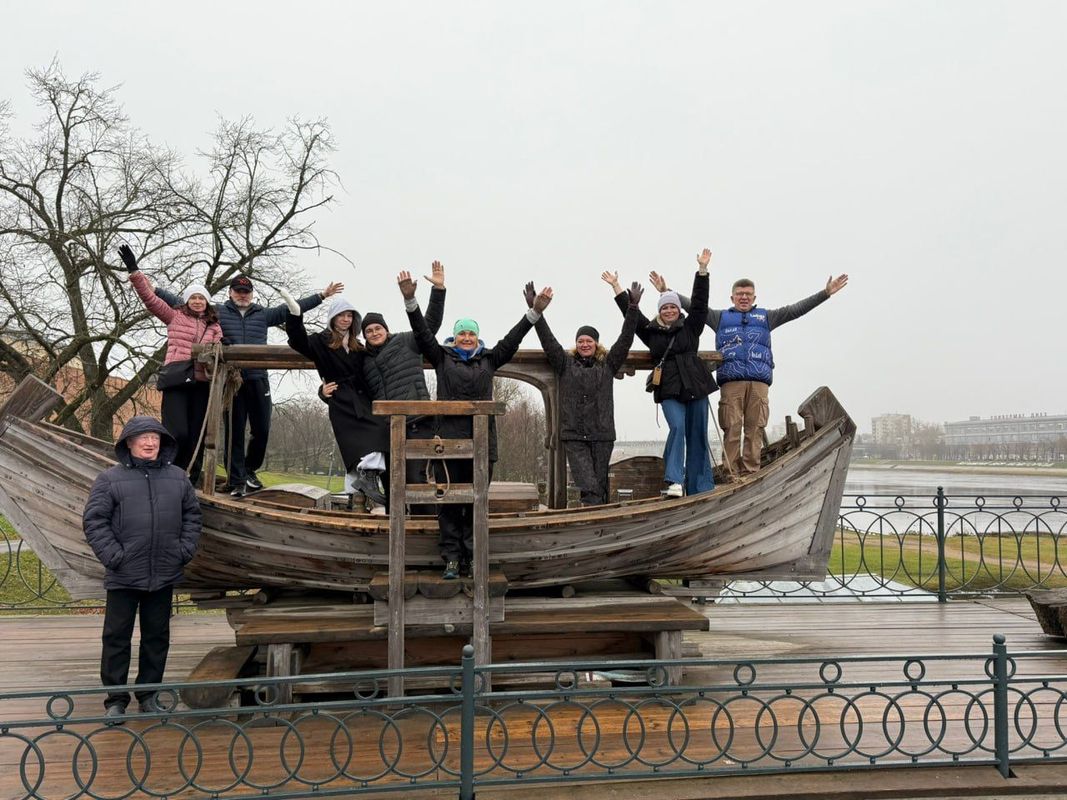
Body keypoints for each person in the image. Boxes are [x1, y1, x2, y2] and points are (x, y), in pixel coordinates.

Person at [404, 277, 549, 579]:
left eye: (471, 333)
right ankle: (451, 559)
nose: (467, 337)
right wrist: (410, 300)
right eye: (462, 333)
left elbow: (513, 338)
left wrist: (535, 312)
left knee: (476, 504)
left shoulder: (489, 359)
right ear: (455, 337)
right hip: (447, 444)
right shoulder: (441, 358)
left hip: (482, 444)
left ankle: (472, 557)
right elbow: (422, 333)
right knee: (448, 502)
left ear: (477, 337)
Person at [649, 269, 849, 477]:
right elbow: (695, 306)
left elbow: (795, 310)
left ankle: (751, 472)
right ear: (732, 297)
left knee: (755, 428)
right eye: (739, 294)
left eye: (748, 294)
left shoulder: (766, 317)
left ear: (754, 298)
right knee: (732, 428)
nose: (744, 297)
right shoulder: (720, 318)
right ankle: (731, 474)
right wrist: (666, 291)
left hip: (759, 382)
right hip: (731, 382)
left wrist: (825, 293)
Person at [155, 275, 342, 497]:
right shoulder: (218, 312)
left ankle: (249, 469)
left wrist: (322, 295)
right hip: (232, 380)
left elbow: (291, 308)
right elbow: (182, 302)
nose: (242, 295)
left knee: (261, 429)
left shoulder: (262, 314)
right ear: (230, 293)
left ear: (252, 294)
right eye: (238, 291)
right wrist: (154, 288)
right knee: (234, 431)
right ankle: (236, 480)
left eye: (246, 292)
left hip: (258, 376)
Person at [82, 416, 202, 721]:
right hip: (124, 573)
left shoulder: (178, 478)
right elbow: (95, 521)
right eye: (143, 437)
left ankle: (148, 694)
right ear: (129, 442)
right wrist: (114, 556)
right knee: (116, 638)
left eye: (155, 438)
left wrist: (182, 551)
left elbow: (192, 516)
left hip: (163, 571)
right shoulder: (109, 480)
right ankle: (116, 699)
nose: (150, 443)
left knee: (156, 637)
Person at [603, 248, 716, 497]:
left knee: (698, 434)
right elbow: (632, 316)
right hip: (669, 388)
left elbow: (699, 304)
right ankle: (674, 480)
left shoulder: (691, 327)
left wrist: (702, 270)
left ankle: (700, 487)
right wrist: (617, 288)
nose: (669, 311)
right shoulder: (651, 331)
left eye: (673, 307)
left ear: (679, 310)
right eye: (665, 308)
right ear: (660, 311)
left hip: (696, 384)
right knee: (677, 427)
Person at [529, 280, 643, 506]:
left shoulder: (608, 364)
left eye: (588, 341)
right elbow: (548, 341)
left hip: (602, 434)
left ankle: (598, 520)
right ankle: (594, 517)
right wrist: (536, 311)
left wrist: (632, 308)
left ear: (596, 343)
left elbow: (625, 339)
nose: (584, 344)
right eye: (580, 341)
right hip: (574, 435)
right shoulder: (565, 363)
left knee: (599, 484)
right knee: (588, 484)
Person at [120, 245, 223, 483]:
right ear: (186, 301)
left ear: (207, 302)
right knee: (178, 432)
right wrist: (134, 271)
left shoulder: (214, 326)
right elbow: (150, 299)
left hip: (201, 381)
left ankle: (190, 478)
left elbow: (219, 350)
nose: (197, 301)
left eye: (201, 298)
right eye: (193, 298)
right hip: (177, 378)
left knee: (197, 434)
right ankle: (168, 472)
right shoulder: (175, 316)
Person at [279, 291, 389, 503]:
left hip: (362, 400)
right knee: (353, 449)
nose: (346, 319)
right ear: (333, 318)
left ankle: (366, 485)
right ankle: (356, 496)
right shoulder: (321, 341)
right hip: (341, 402)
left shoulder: (358, 346)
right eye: (341, 315)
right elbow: (298, 341)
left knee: (379, 433)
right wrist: (294, 314)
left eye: (349, 315)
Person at [357, 262, 447, 511]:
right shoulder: (364, 360)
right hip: (386, 427)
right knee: (391, 482)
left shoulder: (406, 341)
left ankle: (423, 524)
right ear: (364, 336)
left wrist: (435, 291)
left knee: (415, 479)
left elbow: (430, 325)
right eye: (368, 331)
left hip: (417, 421)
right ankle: (393, 526)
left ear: (386, 329)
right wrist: (324, 393)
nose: (374, 333)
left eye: (378, 328)